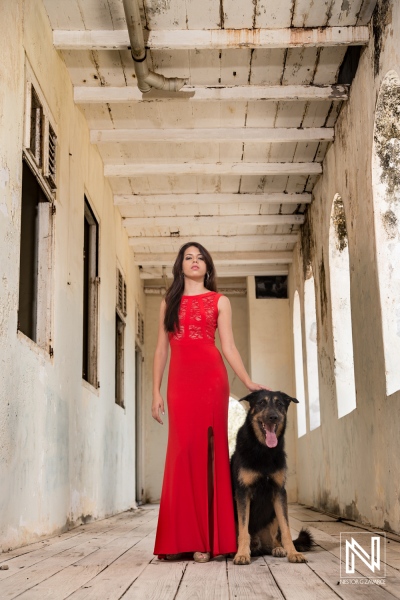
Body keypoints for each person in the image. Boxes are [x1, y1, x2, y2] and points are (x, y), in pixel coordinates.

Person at [152, 242, 267, 563]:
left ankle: (207, 541)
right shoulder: (168, 303)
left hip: (211, 379)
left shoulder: (220, 301)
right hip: (179, 383)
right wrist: (155, 391)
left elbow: (228, 347)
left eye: (200, 258)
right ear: (180, 265)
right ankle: (180, 539)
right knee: (181, 452)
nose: (194, 261)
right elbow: (161, 349)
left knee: (209, 455)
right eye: (188, 257)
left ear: (208, 266)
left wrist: (247, 382)